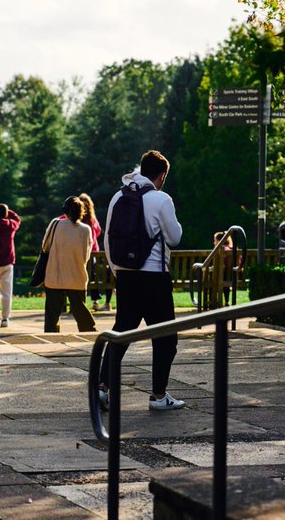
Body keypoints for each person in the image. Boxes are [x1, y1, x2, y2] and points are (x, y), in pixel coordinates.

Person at [101, 150, 185, 410]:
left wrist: (118, 270)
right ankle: (159, 396)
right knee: (165, 337)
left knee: (121, 332)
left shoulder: (119, 196)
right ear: (161, 176)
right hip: (154, 278)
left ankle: (103, 388)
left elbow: (108, 239)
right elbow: (174, 237)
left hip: (126, 275)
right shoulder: (161, 199)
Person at [44, 196, 96, 333]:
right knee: (80, 308)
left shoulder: (55, 224)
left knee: (52, 313)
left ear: (65, 210)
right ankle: (89, 331)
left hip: (54, 275)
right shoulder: (86, 229)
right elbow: (86, 256)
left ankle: (52, 335)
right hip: (76, 276)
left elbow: (45, 247)